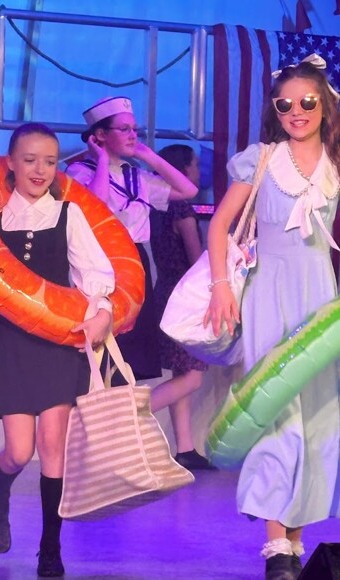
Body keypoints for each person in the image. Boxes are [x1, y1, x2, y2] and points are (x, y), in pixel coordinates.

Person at [204, 54, 340, 580]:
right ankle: (276, 544)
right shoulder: (260, 160)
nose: (296, 111)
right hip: (269, 294)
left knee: (319, 419)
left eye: (307, 101)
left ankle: (296, 542)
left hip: (320, 294)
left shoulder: (334, 164)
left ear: (325, 105)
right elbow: (219, 226)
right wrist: (221, 287)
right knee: (275, 411)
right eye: (285, 105)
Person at [0, 122, 114, 578]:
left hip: (59, 339)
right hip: (12, 341)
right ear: (11, 163)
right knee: (19, 452)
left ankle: (50, 547)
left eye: (50, 161)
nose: (40, 170)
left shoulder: (68, 214)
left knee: (52, 444)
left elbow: (96, 273)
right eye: (30, 160)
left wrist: (101, 311)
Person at [66, 96, 197, 382]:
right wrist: (102, 160)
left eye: (134, 129)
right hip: (99, 259)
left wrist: (148, 155)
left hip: (136, 259)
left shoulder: (138, 176)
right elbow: (96, 207)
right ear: (100, 135)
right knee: (103, 345)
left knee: (133, 349)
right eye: (124, 129)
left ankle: (124, 405)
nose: (132, 135)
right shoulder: (79, 172)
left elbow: (188, 190)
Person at [149, 144, 214, 470]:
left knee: (182, 373)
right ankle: (130, 416)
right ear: (183, 169)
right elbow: (196, 258)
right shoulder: (183, 210)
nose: (198, 171)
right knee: (192, 378)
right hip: (186, 297)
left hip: (164, 293)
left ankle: (185, 448)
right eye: (195, 165)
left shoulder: (157, 208)